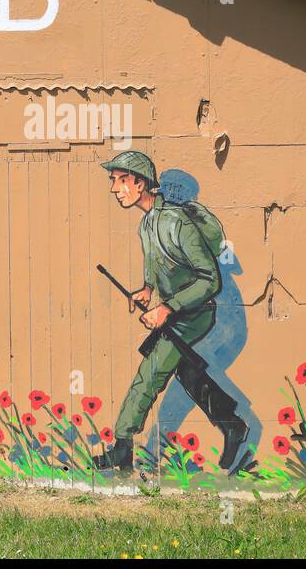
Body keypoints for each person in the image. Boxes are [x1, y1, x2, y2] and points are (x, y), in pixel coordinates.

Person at [93, 151, 250, 473]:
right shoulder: (146, 225)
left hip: (195, 312)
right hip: (177, 312)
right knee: (189, 374)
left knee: (148, 376)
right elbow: (155, 267)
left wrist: (166, 308)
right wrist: (147, 290)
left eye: (120, 181)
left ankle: (121, 449)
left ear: (139, 183)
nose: (114, 189)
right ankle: (232, 424)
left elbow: (209, 279)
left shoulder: (176, 222)